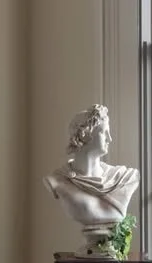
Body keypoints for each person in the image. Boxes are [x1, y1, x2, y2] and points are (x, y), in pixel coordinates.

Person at [45, 104, 139, 253]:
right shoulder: (58, 181)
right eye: (104, 132)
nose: (110, 138)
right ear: (85, 134)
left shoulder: (124, 178)